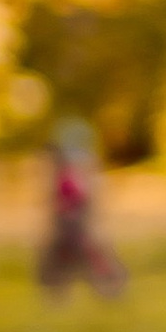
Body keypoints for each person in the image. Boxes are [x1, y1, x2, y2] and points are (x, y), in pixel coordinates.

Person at [36, 120, 125, 298]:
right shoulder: (65, 173)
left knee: (86, 255)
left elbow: (82, 198)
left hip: (75, 223)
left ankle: (109, 287)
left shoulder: (75, 173)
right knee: (68, 258)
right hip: (68, 224)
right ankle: (60, 291)